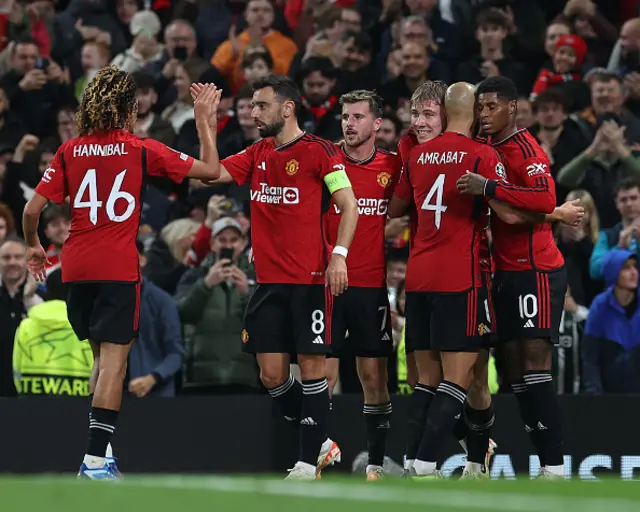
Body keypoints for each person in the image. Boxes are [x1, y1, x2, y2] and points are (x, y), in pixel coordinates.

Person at [22, 66, 226, 480]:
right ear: (129, 108)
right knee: (115, 364)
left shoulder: (69, 150)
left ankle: (104, 454)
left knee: (100, 360)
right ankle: (94, 462)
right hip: (116, 265)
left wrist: (34, 247)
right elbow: (209, 170)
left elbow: (31, 210)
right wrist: (205, 122)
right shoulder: (140, 147)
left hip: (76, 267)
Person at [190, 75, 359, 480]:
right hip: (268, 283)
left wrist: (339, 257)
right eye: (251, 105)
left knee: (314, 367)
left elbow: (348, 206)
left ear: (287, 108)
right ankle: (320, 440)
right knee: (271, 375)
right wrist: (205, 124)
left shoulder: (322, 153)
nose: (252, 112)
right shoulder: (257, 153)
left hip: (310, 281)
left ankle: (306, 462)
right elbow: (208, 174)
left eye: (261, 105)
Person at [388, 82, 506, 479]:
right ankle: (425, 464)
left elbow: (396, 207)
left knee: (426, 383)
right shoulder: (483, 154)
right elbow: (510, 210)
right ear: (472, 111)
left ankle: (415, 461)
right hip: (463, 278)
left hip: (419, 278)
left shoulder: (417, 155)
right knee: (460, 380)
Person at [456, 76, 571, 479]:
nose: (484, 115)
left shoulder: (526, 148)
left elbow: (544, 198)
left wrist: (489, 187)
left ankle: (555, 466)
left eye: (492, 107)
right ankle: (544, 463)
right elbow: (511, 212)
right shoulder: (488, 148)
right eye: (480, 108)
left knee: (535, 365)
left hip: (535, 269)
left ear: (513, 108)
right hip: (503, 271)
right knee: (514, 369)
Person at [324, 90, 402, 480]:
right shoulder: (325, 160)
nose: (349, 124)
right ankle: (314, 457)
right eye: (345, 117)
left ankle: (376, 463)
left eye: (357, 117)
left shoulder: (391, 167)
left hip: (371, 286)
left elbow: (410, 208)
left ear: (376, 124)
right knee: (323, 377)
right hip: (327, 284)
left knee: (374, 377)